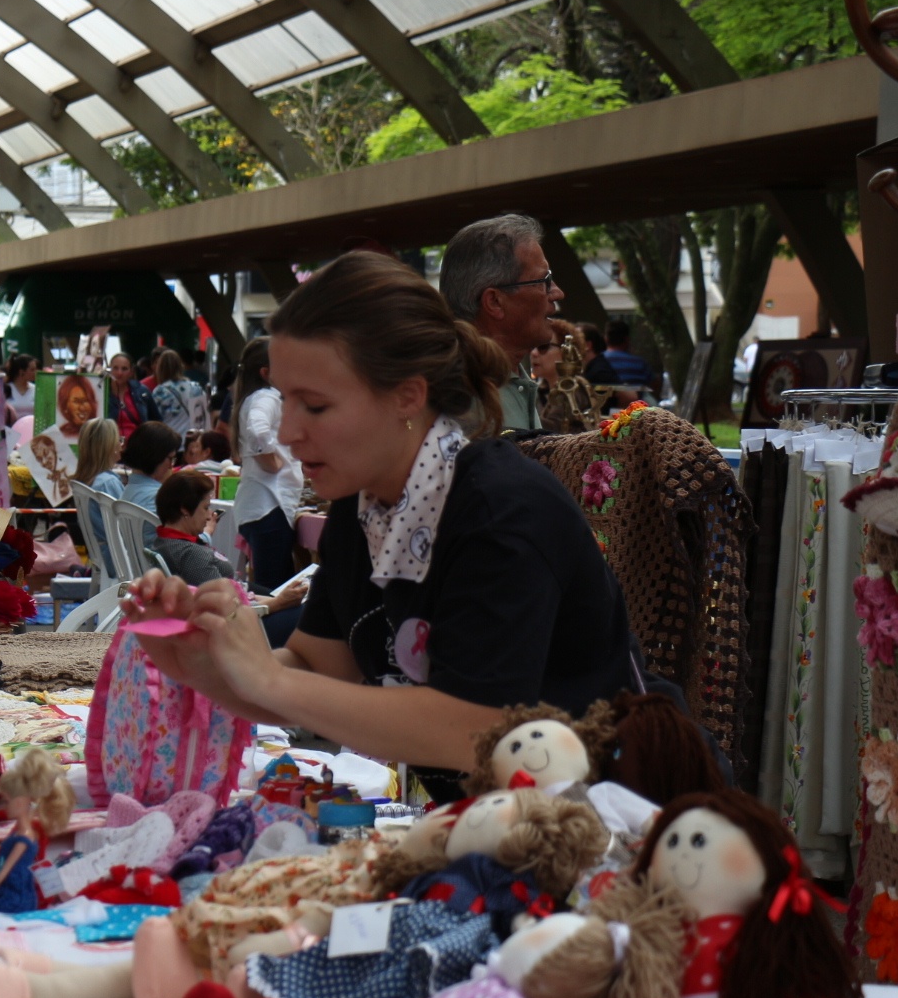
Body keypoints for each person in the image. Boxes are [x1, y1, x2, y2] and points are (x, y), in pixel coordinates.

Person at [126, 250, 638, 800]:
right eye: (283, 401)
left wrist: (265, 677)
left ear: (408, 396)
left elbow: (473, 731)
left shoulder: (501, 512)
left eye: (315, 406)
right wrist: (206, 665)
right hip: (497, 828)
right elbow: (315, 666)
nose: (289, 432)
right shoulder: (362, 503)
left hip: (613, 829)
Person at [439, 213, 566, 433]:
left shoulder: (510, 378)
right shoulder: (458, 396)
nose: (557, 293)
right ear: (495, 302)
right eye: (544, 281)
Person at [147, 471, 306, 645]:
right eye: (205, 508)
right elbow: (224, 609)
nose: (209, 516)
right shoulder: (191, 554)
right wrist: (278, 604)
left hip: (241, 606)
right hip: (239, 629)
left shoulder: (164, 542)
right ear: (184, 509)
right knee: (310, 616)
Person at [230, 337, 304, 594]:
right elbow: (257, 430)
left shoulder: (255, 397)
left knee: (272, 584)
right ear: (266, 372)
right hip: (268, 505)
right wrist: (271, 460)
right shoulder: (267, 396)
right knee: (273, 589)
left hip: (262, 506)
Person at [72, 417, 124, 570]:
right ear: (109, 446)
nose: (121, 445)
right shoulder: (107, 483)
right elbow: (127, 528)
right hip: (118, 561)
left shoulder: (90, 480)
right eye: (118, 440)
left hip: (103, 558)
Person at [119, 419, 181, 514]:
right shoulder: (158, 498)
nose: (170, 466)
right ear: (155, 456)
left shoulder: (128, 491)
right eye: (171, 458)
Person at [150, 348, 208, 437]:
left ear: (160, 369)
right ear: (180, 366)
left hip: (170, 441)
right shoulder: (196, 388)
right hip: (193, 442)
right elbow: (203, 419)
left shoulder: (160, 391)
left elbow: (154, 422)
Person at [106, 351, 154, 437]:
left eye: (124, 369)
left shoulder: (142, 391)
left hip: (138, 445)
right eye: (115, 368)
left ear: (131, 372)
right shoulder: (101, 393)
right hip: (110, 444)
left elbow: (155, 420)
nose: (119, 373)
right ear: (109, 370)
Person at [602, 319, 657, 394]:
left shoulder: (597, 362)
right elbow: (654, 386)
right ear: (627, 339)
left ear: (606, 339)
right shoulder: (640, 364)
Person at [56, 371, 100, 437]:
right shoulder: (60, 434)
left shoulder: (99, 432)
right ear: (65, 406)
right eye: (76, 402)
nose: (82, 408)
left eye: (85, 401)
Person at [577, 321, 619, 387]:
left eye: (575, 341)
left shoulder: (600, 372)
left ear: (587, 345)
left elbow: (629, 395)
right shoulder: (592, 368)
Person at [5, 352, 38, 421]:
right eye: (32, 370)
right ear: (21, 372)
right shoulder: (6, 389)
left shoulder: (36, 389)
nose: (35, 372)